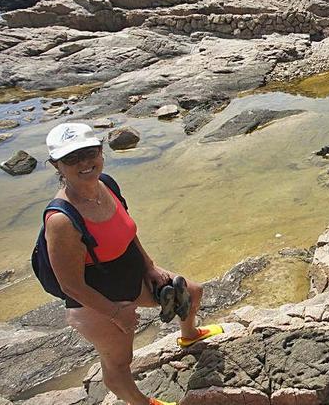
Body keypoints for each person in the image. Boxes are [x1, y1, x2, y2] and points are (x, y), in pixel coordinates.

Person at [43, 123, 220, 405]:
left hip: (130, 274)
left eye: (89, 152)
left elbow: (127, 230)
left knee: (192, 292)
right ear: (56, 165)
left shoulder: (107, 184)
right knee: (119, 363)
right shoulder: (61, 220)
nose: (84, 163)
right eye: (72, 158)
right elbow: (70, 285)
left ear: (101, 150)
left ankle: (190, 336)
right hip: (95, 299)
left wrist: (149, 265)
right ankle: (140, 402)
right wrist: (115, 313)